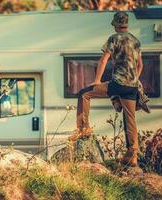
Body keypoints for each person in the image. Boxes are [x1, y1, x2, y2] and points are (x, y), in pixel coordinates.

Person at [68, 11, 144, 167]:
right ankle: (133, 157)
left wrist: (96, 80)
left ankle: (84, 130)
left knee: (84, 94)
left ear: (116, 25)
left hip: (118, 83)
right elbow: (140, 65)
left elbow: (103, 60)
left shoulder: (113, 39)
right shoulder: (135, 41)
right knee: (130, 119)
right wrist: (135, 79)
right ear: (127, 24)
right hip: (131, 86)